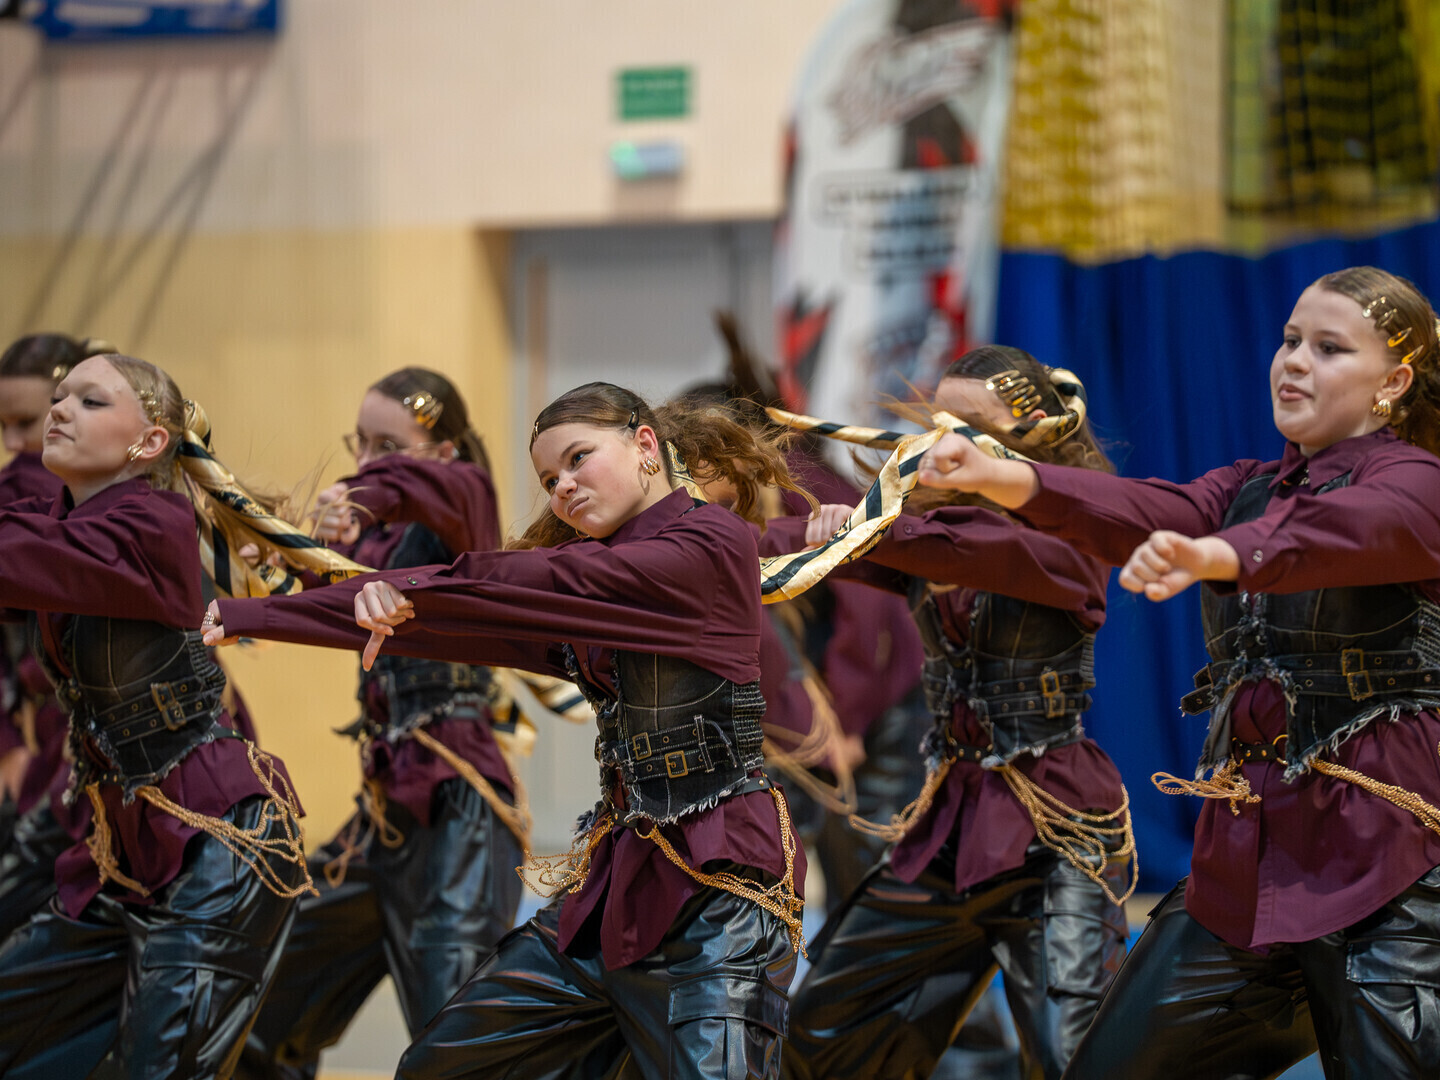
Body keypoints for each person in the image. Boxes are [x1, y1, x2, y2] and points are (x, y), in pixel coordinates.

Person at [205, 381, 813, 1080]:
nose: (564, 487)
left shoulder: (709, 542)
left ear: (646, 445)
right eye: (551, 478)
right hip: (618, 885)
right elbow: (466, 622)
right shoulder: (599, 583)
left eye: (580, 459)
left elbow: (545, 579)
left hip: (722, 899)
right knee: (439, 1066)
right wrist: (278, 610)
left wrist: (413, 588)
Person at [918, 266, 1440, 1079]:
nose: (1294, 362)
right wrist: (1001, 476)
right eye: (1291, 340)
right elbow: (1142, 508)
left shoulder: (1415, 482)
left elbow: (1351, 527)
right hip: (1242, 877)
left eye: (1330, 349)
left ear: (1393, 382)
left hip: (1389, 878)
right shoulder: (1247, 487)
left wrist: (1223, 555)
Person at [765, 347, 1132, 1080]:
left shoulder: (1074, 522)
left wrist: (876, 529)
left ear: (1029, 439)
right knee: (820, 1037)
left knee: (1075, 1058)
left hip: (1054, 834)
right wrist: (809, 532)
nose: (945, 439)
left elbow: (990, 556)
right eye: (939, 421)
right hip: (947, 830)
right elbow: (816, 551)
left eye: (968, 424)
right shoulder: (925, 524)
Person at [0, 353, 320, 1079]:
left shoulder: (152, 522)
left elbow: (27, 554)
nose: (59, 410)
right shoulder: (60, 524)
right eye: (58, 398)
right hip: (126, 851)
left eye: (88, 401)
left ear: (148, 443)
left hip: (221, 845)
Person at [237, 367, 525, 1079]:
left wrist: (356, 496)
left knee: (450, 1039)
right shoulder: (378, 543)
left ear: (446, 448)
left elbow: (435, 491)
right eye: (360, 444)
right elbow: (324, 591)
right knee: (262, 1002)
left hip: (457, 810)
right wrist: (271, 560)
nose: (368, 461)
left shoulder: (465, 507)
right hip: (384, 815)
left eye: (388, 444)